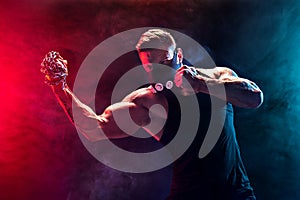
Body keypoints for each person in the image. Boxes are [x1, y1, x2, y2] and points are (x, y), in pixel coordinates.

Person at [41, 29, 263, 200]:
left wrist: (203, 85)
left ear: (179, 55)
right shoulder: (148, 101)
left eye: (166, 62)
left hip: (237, 194)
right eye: (152, 68)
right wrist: (59, 86)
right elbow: (94, 128)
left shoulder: (217, 75)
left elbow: (254, 98)